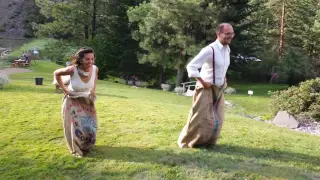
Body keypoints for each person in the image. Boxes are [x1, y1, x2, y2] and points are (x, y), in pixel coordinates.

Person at [177, 23, 234, 148]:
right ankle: (185, 142)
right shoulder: (210, 49)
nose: (231, 36)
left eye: (232, 33)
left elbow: (221, 67)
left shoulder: (227, 49)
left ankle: (207, 142)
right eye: (228, 34)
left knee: (218, 117)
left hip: (219, 89)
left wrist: (223, 78)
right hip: (205, 88)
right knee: (199, 117)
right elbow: (191, 66)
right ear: (219, 34)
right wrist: (202, 81)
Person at [54, 47, 99, 157]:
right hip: (72, 100)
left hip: (86, 100)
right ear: (80, 59)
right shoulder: (72, 70)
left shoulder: (95, 69)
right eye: (87, 59)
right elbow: (56, 73)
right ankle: (76, 148)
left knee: (89, 124)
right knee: (74, 126)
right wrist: (65, 89)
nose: (90, 62)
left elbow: (95, 79)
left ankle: (86, 145)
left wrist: (92, 91)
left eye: (92, 59)